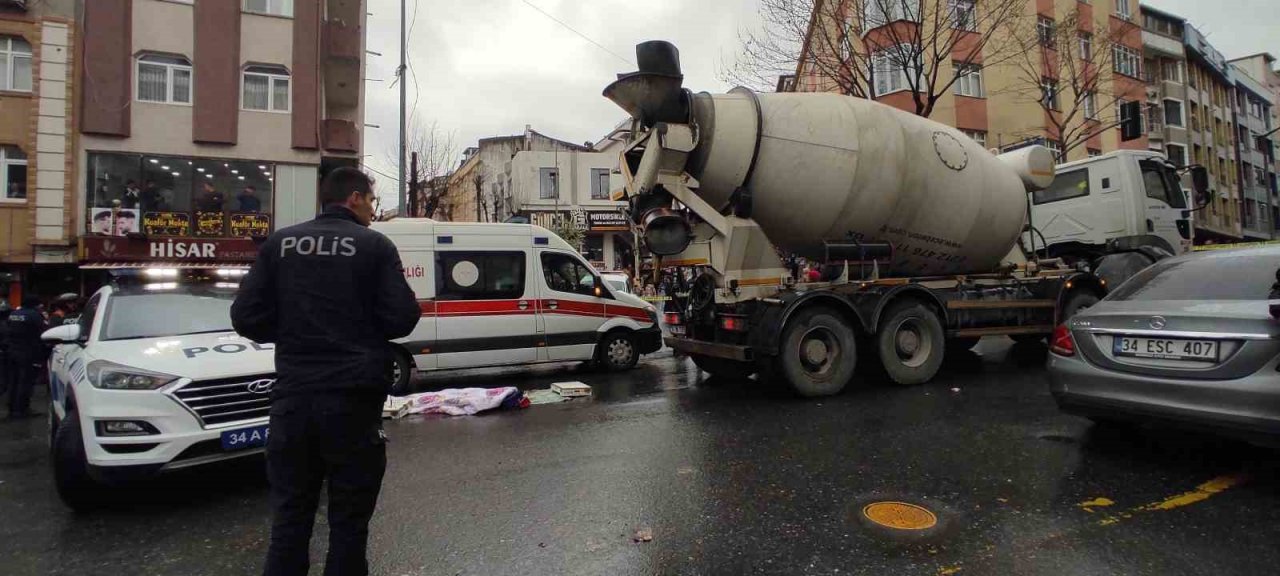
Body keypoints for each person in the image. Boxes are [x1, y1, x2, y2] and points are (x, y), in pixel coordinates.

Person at [232, 167, 419, 576]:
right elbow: (402, 318)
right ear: (353, 198)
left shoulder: (279, 244)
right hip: (353, 404)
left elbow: (246, 317)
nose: (373, 209)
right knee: (349, 526)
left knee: (290, 522)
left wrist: (293, 328)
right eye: (370, 200)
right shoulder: (374, 246)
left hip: (293, 402)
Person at [4, 296, 47, 419]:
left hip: (12, 352)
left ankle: (12, 408)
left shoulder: (13, 314)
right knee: (26, 382)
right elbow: (42, 333)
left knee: (13, 381)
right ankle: (22, 409)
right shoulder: (35, 315)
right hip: (28, 353)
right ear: (34, 305)